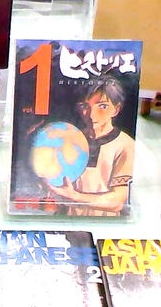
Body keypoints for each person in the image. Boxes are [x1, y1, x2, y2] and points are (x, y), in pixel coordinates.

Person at [48, 80, 135, 216]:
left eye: (103, 106)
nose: (92, 115)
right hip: (67, 220)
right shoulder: (69, 137)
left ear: (116, 109)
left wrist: (75, 196)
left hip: (104, 224)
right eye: (84, 106)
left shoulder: (125, 145)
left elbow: (118, 202)